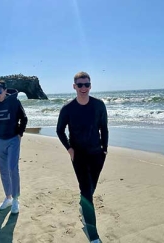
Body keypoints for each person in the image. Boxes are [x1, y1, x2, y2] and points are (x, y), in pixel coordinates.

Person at [56, 71, 108, 243]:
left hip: (97, 154)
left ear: (90, 86)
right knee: (86, 192)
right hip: (78, 155)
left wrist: (105, 150)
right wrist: (69, 149)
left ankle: (84, 203)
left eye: (86, 84)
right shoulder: (68, 108)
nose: (83, 88)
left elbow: (104, 129)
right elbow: (59, 130)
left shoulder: (99, 105)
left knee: (91, 189)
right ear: (74, 86)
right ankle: (93, 236)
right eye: (80, 85)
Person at [0, 80, 28, 214]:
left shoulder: (14, 102)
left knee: (12, 169)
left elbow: (24, 118)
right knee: (3, 170)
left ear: (5, 91)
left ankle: (16, 200)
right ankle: (8, 198)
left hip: (13, 140)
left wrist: (20, 134)